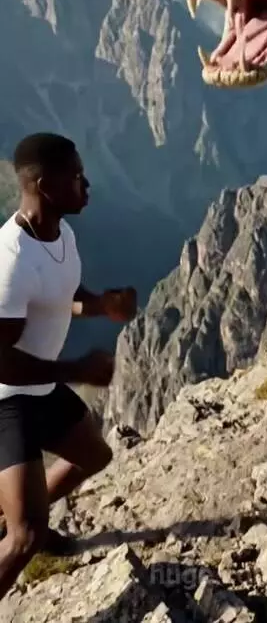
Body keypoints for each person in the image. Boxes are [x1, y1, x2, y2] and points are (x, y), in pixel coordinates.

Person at [0, 132, 137, 600]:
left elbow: (60, 297)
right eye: (76, 176)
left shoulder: (61, 233)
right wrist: (76, 369)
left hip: (37, 389)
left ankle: (13, 510)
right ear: (45, 186)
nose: (87, 183)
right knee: (25, 538)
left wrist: (101, 304)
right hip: (6, 402)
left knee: (96, 456)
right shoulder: (12, 261)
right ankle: (22, 524)